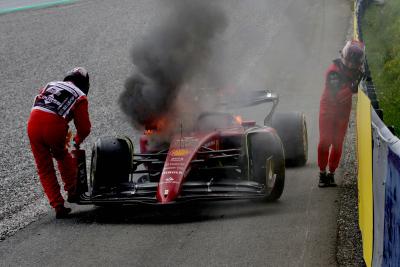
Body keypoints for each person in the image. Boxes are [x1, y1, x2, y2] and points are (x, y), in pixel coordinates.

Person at [27, 67, 91, 218]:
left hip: (32, 124)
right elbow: (84, 128)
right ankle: (72, 190)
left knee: (44, 168)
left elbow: (38, 101)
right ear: (85, 84)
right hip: (53, 125)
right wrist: (77, 139)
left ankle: (57, 205)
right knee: (62, 155)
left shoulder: (50, 84)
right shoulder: (80, 95)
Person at [318, 40, 365, 187]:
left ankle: (331, 173)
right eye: (351, 62)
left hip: (343, 113)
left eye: (355, 63)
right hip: (328, 110)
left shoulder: (356, 71)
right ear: (345, 57)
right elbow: (336, 96)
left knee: (338, 144)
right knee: (325, 141)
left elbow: (356, 88)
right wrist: (352, 87)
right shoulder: (333, 71)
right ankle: (322, 173)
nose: (352, 65)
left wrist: (358, 83)